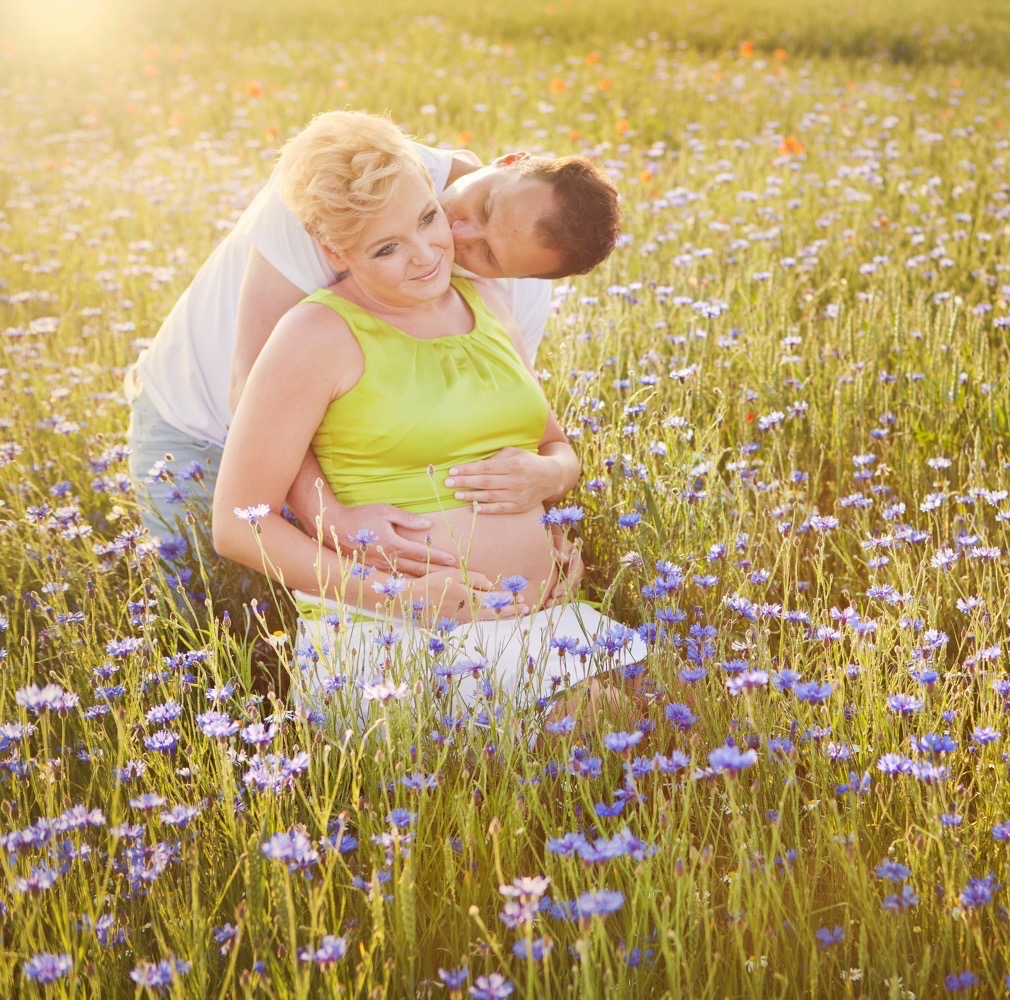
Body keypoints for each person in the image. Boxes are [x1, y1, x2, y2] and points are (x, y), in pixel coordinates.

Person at [211, 110, 643, 723]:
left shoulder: (486, 300)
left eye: (426, 219)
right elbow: (237, 527)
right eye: (386, 248)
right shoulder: (314, 334)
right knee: (604, 720)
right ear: (335, 251)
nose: (426, 256)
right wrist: (404, 596)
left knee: (683, 706)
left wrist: (550, 494)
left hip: (541, 619)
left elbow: (551, 443)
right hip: (397, 634)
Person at [127, 109, 620, 605]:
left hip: (357, 466)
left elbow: (488, 422)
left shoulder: (508, 289)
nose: (454, 237)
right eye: (486, 208)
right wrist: (332, 519)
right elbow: (246, 394)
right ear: (510, 161)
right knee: (210, 615)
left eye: (488, 255)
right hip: (198, 426)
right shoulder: (339, 188)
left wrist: (546, 496)